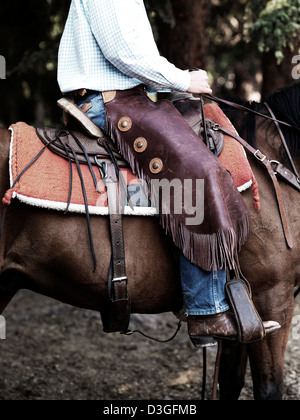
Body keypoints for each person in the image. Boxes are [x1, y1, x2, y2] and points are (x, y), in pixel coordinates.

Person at [57, 0, 280, 347]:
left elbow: (132, 61)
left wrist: (174, 86)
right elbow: (125, 55)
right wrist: (183, 79)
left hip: (130, 96)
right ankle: (206, 310)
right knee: (199, 172)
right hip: (110, 100)